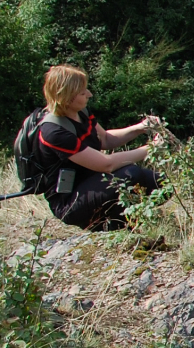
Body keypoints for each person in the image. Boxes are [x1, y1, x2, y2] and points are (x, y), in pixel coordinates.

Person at [34, 64, 162, 231]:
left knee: (162, 184)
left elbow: (106, 139)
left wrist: (141, 127)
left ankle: (134, 219)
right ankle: (110, 225)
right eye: (82, 92)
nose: (89, 94)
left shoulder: (81, 113)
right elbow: (106, 164)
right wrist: (151, 148)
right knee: (131, 174)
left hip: (94, 182)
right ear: (66, 96)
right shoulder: (54, 132)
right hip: (70, 201)